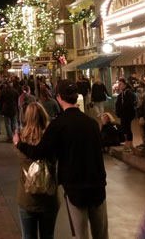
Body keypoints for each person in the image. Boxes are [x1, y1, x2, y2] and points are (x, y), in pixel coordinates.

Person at [40, 80, 108, 239]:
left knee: (80, 233)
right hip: (97, 184)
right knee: (102, 233)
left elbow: (42, 151)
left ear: (59, 97)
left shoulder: (58, 125)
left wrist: (20, 144)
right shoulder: (92, 123)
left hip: (75, 187)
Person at [13, 102, 59, 239]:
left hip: (27, 196)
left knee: (28, 235)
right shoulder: (52, 138)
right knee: (48, 235)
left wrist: (18, 143)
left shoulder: (21, 138)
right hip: (49, 195)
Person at [115, 78, 136, 151]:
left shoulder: (128, 92)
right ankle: (127, 143)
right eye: (119, 84)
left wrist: (121, 112)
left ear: (125, 84)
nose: (119, 85)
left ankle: (129, 144)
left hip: (126, 115)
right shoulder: (123, 92)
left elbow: (128, 105)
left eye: (121, 84)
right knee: (125, 129)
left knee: (127, 129)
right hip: (124, 115)